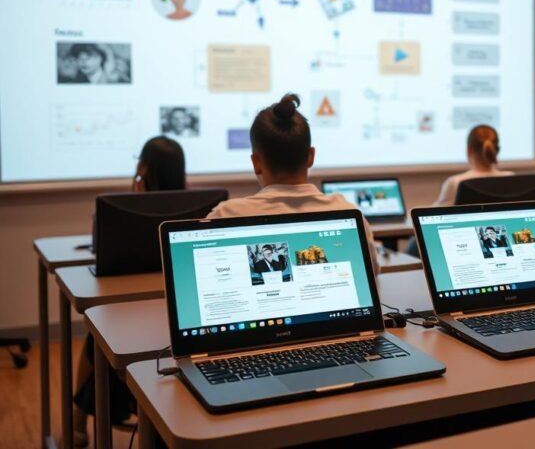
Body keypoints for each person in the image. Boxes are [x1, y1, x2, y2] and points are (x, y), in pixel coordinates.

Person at [73, 136, 186, 446]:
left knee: (95, 334)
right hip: (174, 314)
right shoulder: (200, 208)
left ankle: (77, 424)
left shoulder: (121, 208)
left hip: (133, 318)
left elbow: (101, 248)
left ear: (144, 168)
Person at [206, 93, 378, 271]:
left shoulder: (225, 215)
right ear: (311, 157)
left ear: (256, 163)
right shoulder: (347, 211)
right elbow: (373, 276)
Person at [433, 124, 513, 206]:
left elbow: (436, 213)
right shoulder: (511, 179)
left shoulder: (455, 183)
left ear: (469, 150)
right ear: (497, 150)